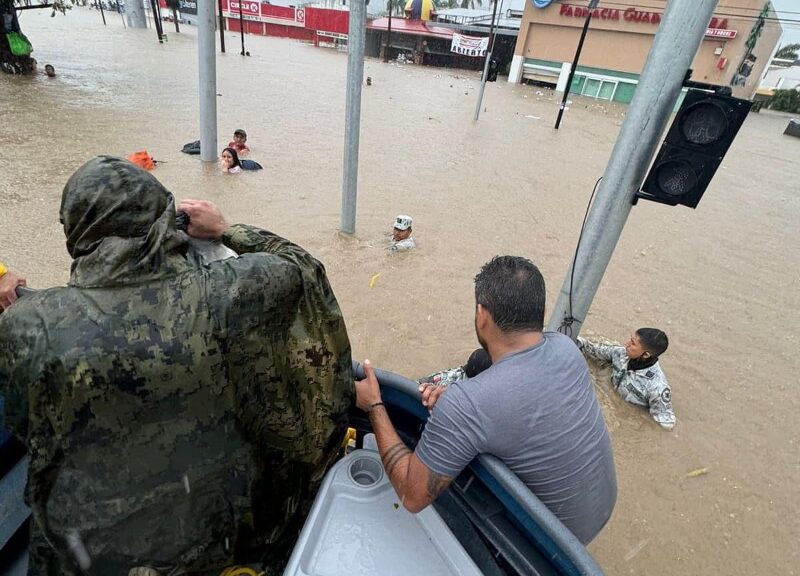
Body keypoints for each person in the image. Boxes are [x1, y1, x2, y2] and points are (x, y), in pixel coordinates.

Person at [0, 156, 353, 575]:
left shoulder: (27, 324)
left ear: (75, 233)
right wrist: (226, 230)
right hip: (207, 541)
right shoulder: (227, 295)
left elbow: (23, 422)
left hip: (84, 556)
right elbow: (303, 271)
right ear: (163, 218)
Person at [355, 256, 616, 544]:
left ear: (482, 315)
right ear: (541, 311)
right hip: (597, 514)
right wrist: (461, 405)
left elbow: (411, 496)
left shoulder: (468, 405)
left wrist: (374, 405)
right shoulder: (566, 349)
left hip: (546, 551)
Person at [577, 329, 676, 430]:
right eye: (631, 339)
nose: (626, 344)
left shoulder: (657, 387)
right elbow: (590, 348)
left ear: (646, 355)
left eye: (632, 344)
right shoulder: (620, 353)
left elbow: (665, 425)